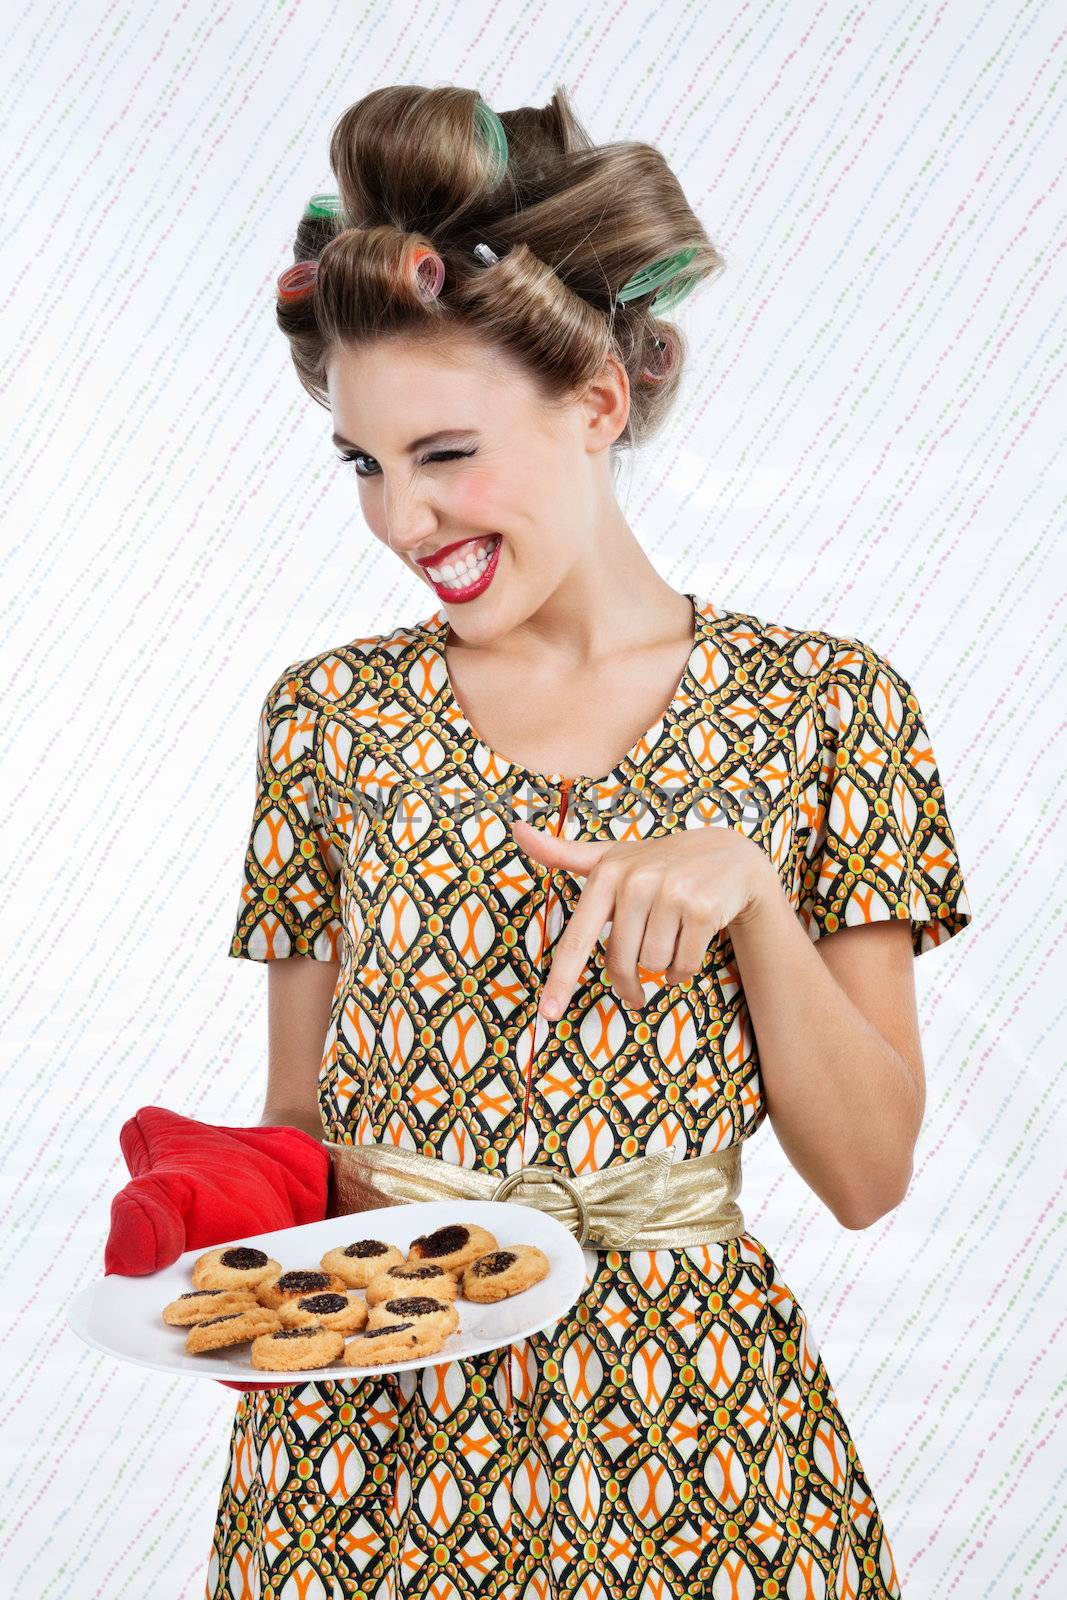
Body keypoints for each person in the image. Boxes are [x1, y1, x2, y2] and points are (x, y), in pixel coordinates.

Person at [199, 83, 972, 1596]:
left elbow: (870, 1177)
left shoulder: (827, 706)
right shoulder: (326, 720)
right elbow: (293, 1130)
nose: (403, 520)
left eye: (444, 452)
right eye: (364, 464)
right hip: (374, 1443)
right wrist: (205, 1233)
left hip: (700, 1440)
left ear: (598, 403)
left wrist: (750, 889)